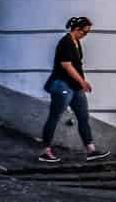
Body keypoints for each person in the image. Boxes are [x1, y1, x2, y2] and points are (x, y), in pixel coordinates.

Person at [38, 17, 111, 163]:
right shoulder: (65, 42)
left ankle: (91, 150)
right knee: (55, 116)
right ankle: (45, 151)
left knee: (83, 117)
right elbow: (67, 65)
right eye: (84, 32)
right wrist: (82, 81)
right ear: (76, 29)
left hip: (75, 86)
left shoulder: (76, 42)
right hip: (62, 85)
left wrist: (80, 83)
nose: (86, 35)